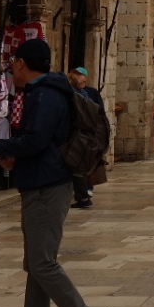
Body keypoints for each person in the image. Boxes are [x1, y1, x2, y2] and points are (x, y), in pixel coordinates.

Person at [0, 38, 98, 307]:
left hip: (47, 185)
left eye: (13, 64)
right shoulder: (46, 92)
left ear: (20, 63)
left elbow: (36, 140)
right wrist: (17, 158)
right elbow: (42, 142)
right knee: (37, 263)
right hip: (43, 181)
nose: (11, 69)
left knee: (42, 262)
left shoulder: (44, 94)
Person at [66, 69, 97, 209]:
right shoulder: (81, 94)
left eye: (85, 76)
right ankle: (82, 196)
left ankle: (83, 196)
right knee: (78, 165)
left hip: (77, 135)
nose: (85, 79)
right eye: (82, 76)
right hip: (82, 135)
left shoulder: (79, 95)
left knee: (76, 166)